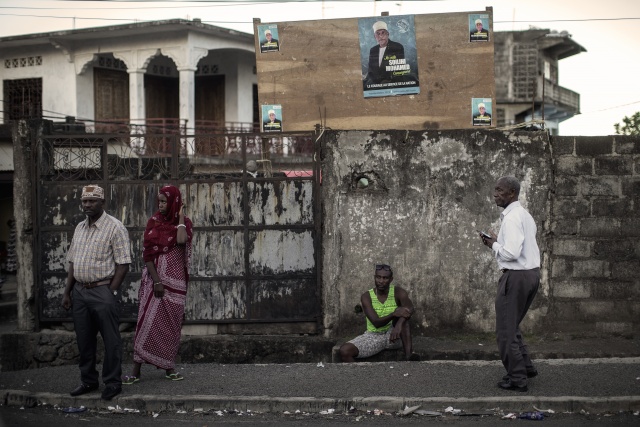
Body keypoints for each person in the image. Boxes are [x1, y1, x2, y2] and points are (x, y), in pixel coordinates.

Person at [62, 184, 131, 400]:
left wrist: (110, 292)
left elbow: (123, 264)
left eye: (92, 201)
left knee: (111, 340)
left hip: (102, 290)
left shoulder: (115, 227)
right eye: (84, 201)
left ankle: (112, 383)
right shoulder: (79, 228)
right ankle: (88, 381)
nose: (87, 205)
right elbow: (73, 263)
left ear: (103, 202)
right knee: (84, 340)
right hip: (80, 293)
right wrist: (67, 293)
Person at [123, 185, 193, 385]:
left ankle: (169, 367)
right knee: (145, 323)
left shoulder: (185, 224)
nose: (161, 205)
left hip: (176, 284)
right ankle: (136, 371)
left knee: (170, 326)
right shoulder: (154, 222)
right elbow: (148, 256)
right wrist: (157, 281)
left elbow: (180, 240)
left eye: (164, 201)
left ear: (174, 203)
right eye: (159, 201)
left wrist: (179, 217)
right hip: (156, 282)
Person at [479, 176, 541, 392]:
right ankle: (526, 368)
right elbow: (520, 247)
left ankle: (517, 379)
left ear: (512, 193)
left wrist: (494, 244)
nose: (495, 194)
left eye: (500, 190)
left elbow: (512, 253)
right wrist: (499, 241)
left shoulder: (512, 218)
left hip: (516, 277)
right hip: (531, 274)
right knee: (511, 325)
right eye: (495, 189)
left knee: (505, 330)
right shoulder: (524, 215)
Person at [339, 264, 419, 362]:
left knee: (404, 318)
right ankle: (358, 375)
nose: (381, 281)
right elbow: (376, 322)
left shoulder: (398, 292)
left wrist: (399, 325)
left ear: (391, 279)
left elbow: (410, 308)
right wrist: (394, 314)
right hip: (374, 337)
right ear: (374, 278)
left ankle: (409, 356)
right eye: (378, 277)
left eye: (385, 278)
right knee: (344, 350)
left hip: (394, 337)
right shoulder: (367, 296)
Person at [364, 21, 406, 85]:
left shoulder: (397, 47)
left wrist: (388, 83)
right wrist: (379, 83)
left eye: (383, 33)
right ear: (375, 37)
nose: (380, 36)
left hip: (394, 84)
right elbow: (371, 71)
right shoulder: (373, 50)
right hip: (377, 84)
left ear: (387, 34)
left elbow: (400, 69)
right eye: (378, 34)